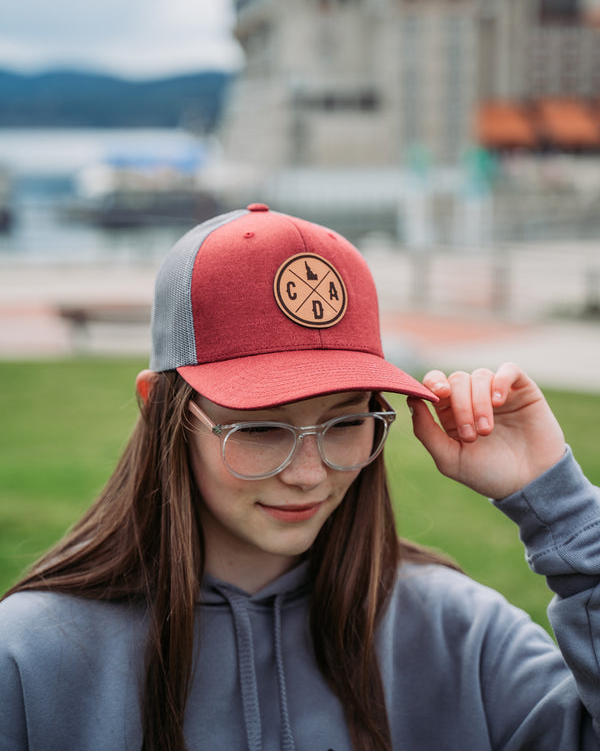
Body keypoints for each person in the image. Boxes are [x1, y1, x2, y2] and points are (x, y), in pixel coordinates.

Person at [0, 203, 599, 751]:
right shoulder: (31, 657)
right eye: (259, 431)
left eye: (345, 423)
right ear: (159, 406)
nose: (310, 475)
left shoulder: (461, 633)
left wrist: (559, 503)